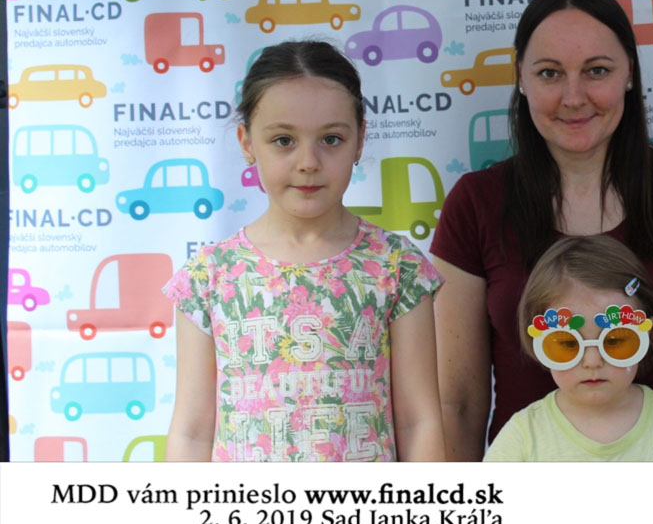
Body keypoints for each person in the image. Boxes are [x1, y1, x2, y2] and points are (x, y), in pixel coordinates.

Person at [431, 0, 653, 460]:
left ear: (629, 74)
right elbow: (457, 402)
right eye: (549, 73)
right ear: (520, 77)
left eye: (597, 70)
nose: (574, 96)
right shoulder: (475, 204)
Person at [164, 40, 445, 462]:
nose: (308, 161)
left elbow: (418, 421)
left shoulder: (397, 266)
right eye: (283, 140)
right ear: (246, 141)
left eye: (331, 139)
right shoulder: (209, 275)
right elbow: (191, 431)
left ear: (360, 140)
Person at [484, 235, 653, 461]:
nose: (592, 361)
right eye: (568, 343)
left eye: (615, 340)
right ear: (538, 341)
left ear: (648, 334)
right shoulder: (522, 436)